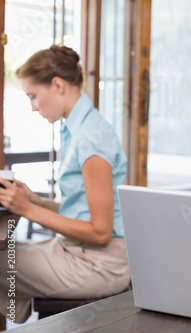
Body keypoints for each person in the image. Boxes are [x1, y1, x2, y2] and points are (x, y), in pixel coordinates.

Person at [0, 45, 129, 326]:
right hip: (79, 250)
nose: (33, 107)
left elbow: (100, 231)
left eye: (33, 96)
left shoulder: (90, 138)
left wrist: (27, 210)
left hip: (99, 263)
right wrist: (36, 201)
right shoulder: (78, 127)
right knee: (8, 255)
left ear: (57, 85)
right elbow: (84, 210)